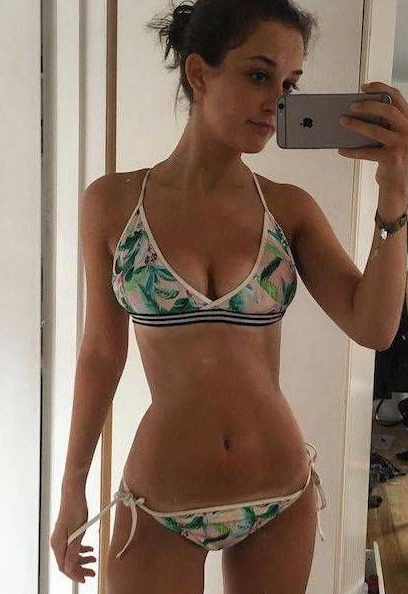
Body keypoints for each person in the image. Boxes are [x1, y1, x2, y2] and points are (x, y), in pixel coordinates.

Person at [49, 1, 408, 592]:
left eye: (289, 85)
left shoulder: (288, 209)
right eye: (259, 75)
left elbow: (375, 326)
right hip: (161, 505)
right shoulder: (112, 205)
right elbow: (101, 355)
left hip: (279, 497)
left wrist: (393, 192)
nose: (276, 102)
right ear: (199, 73)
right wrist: (72, 488)